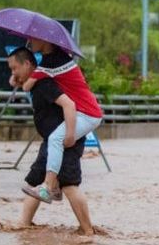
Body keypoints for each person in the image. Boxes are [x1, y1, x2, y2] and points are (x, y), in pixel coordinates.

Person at [6, 47, 94, 235]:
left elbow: (69, 105)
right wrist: (17, 79)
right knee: (34, 181)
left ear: (27, 64)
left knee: (69, 184)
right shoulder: (34, 81)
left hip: (65, 141)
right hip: (51, 141)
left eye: (15, 68)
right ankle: (23, 224)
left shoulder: (45, 83)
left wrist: (70, 136)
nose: (12, 73)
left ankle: (88, 232)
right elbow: (24, 83)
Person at [19, 38, 103, 204]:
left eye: (33, 38)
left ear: (45, 41)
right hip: (87, 111)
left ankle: (47, 187)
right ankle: (55, 188)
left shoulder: (50, 63)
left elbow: (26, 86)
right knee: (56, 141)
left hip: (87, 113)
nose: (29, 41)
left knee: (55, 139)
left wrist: (70, 135)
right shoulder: (60, 57)